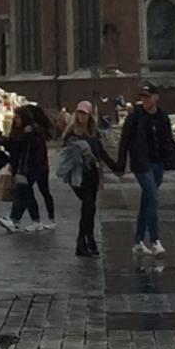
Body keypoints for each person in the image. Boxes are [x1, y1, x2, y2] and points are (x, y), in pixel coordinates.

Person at [116, 83, 174, 256]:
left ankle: (138, 240)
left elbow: (167, 141)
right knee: (153, 198)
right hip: (142, 164)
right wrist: (121, 164)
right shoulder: (134, 117)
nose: (145, 100)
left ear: (156, 97)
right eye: (142, 97)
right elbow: (124, 141)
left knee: (147, 200)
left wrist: (173, 161)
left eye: (148, 97)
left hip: (158, 163)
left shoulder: (163, 117)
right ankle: (155, 241)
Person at [56, 102, 112, 257]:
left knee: (89, 208)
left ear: (89, 115)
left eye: (84, 113)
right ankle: (85, 241)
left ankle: (85, 242)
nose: (82, 116)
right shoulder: (71, 133)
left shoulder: (93, 132)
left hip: (92, 174)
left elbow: (101, 153)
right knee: (88, 206)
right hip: (78, 176)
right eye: (79, 113)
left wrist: (116, 167)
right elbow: (68, 154)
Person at [3, 103, 51, 233]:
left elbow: (24, 148)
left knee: (23, 192)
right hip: (25, 167)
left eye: (18, 118)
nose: (16, 120)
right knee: (25, 193)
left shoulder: (32, 131)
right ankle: (26, 220)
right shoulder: (24, 131)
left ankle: (17, 220)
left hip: (31, 167)